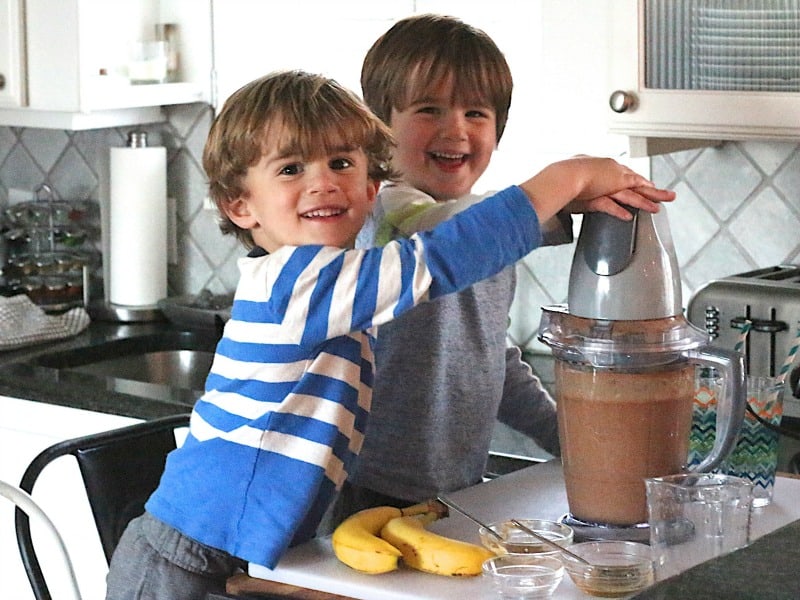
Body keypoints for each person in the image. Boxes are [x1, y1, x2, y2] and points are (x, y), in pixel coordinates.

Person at [105, 69, 672, 599]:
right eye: (290, 169)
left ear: (373, 187)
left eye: (342, 164)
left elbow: (449, 240)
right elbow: (444, 254)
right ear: (241, 205)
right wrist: (566, 177)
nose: (322, 183)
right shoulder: (297, 283)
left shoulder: (336, 274)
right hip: (181, 561)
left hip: (233, 552)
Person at [330, 13, 633, 521]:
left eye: (477, 113)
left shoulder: (489, 238)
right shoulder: (384, 217)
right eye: (429, 110)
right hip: (363, 488)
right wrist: (567, 180)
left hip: (456, 487)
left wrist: (565, 438)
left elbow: (490, 360)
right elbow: (446, 232)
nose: (456, 130)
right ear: (378, 128)